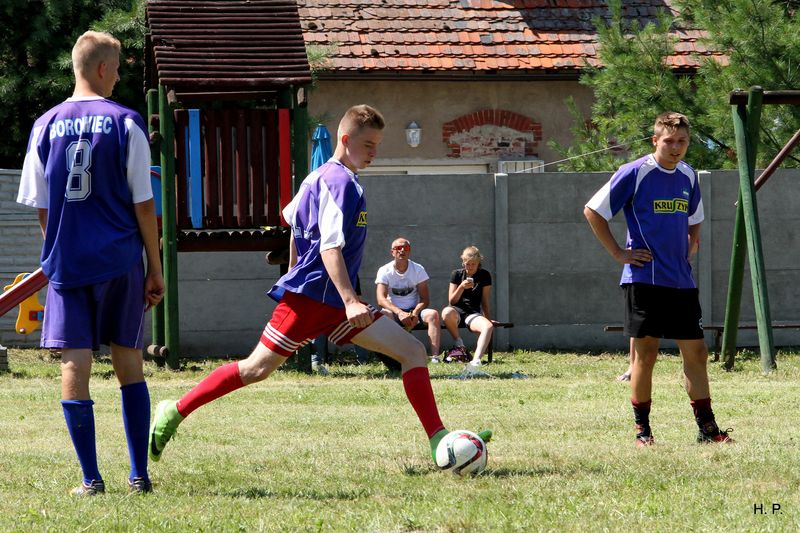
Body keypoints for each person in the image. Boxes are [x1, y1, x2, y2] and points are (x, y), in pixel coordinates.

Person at [148, 105, 490, 475]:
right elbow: (329, 247)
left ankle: (439, 439)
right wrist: (344, 298)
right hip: (315, 300)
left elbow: (291, 217)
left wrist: (308, 272)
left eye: (377, 144)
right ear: (345, 140)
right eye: (369, 144)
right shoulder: (339, 182)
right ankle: (175, 409)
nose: (375, 152)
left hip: (338, 301)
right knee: (255, 369)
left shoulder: (319, 178)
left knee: (411, 351)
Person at [16, 31, 164, 495]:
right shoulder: (126, 122)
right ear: (101, 69)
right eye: (117, 68)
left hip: (69, 263)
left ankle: (90, 479)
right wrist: (154, 269)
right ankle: (139, 475)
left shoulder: (43, 125)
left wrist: (61, 247)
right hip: (121, 259)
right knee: (129, 362)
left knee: (73, 365)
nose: (119, 77)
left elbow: (41, 206)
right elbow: (144, 204)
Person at [583, 111, 732, 447]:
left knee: (697, 353)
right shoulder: (634, 172)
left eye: (682, 142)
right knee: (645, 356)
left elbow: (695, 217)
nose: (675, 147)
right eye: (669, 141)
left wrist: (693, 240)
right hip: (643, 280)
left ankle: (707, 430)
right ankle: (643, 431)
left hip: (681, 281)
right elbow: (593, 210)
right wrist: (619, 253)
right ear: (655, 141)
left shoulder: (689, 176)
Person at [375, 237, 441, 362]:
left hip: (414, 310)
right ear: (392, 252)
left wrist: (415, 313)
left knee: (433, 314)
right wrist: (399, 312)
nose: (402, 251)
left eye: (406, 248)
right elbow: (380, 299)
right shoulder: (384, 270)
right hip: (394, 311)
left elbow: (425, 299)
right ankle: (394, 356)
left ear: (409, 251)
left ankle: (435, 357)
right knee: (384, 313)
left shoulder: (418, 269)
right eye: (398, 248)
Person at [441, 246, 496, 372]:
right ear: (463, 262)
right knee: (446, 312)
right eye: (467, 264)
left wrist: (488, 319)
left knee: (488, 327)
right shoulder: (457, 274)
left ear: (478, 263)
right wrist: (461, 287)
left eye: (473, 264)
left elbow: (485, 301)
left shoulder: (484, 275)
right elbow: (452, 301)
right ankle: (459, 343)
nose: (470, 267)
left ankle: (476, 362)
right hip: (456, 311)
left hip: (472, 313)